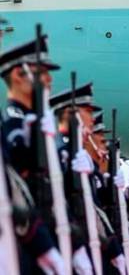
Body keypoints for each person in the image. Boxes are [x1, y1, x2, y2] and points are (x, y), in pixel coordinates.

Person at [0, 36, 67, 274]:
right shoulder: (14, 123)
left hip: (45, 235)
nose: (49, 79)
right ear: (19, 74)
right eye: (43, 72)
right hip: (25, 244)